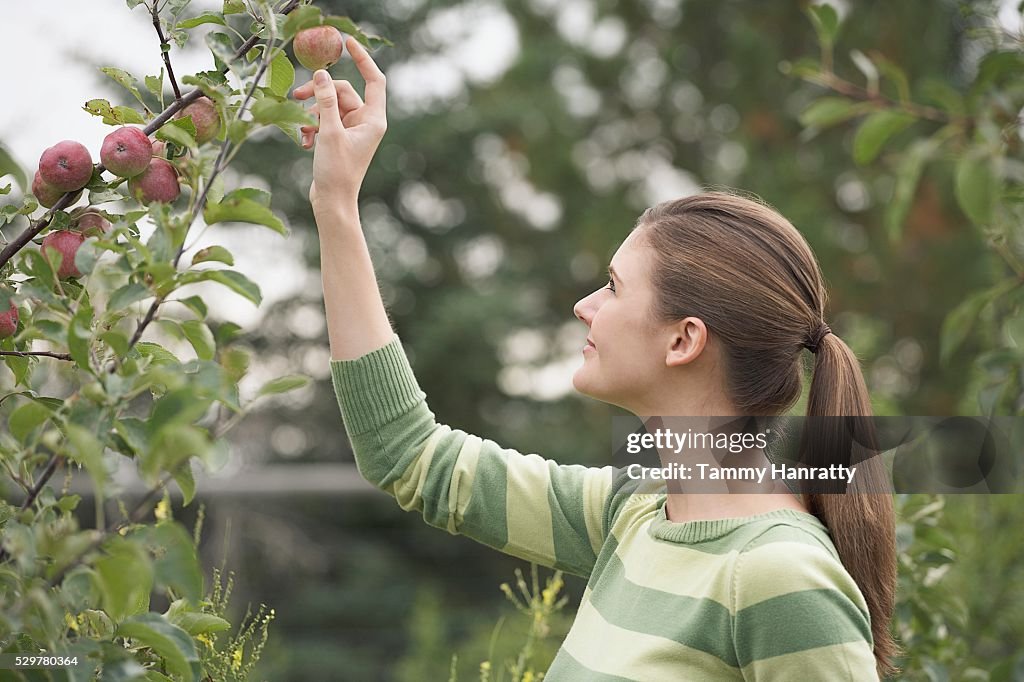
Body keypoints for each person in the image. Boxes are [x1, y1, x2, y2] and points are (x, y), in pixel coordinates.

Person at [294, 37, 898, 681]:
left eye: (612, 286)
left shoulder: (780, 578)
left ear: (683, 341)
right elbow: (407, 454)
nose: (585, 306)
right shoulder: (636, 512)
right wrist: (336, 202)